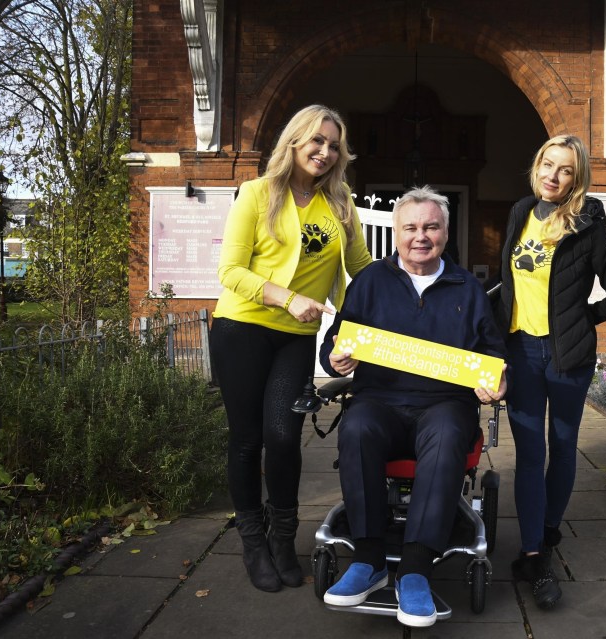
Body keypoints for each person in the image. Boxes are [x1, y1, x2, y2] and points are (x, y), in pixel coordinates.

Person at [318, 186, 507, 628]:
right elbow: (336, 341)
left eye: (431, 227)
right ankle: (368, 560)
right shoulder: (370, 282)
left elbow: (494, 355)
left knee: (445, 435)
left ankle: (417, 568)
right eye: (411, 228)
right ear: (397, 233)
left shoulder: (469, 289)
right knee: (357, 427)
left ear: (444, 232)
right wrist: (336, 357)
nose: (420, 236)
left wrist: (498, 381)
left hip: (444, 403)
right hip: (379, 399)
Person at [210, 105, 373, 593]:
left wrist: (405, 295)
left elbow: (361, 270)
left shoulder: (340, 204)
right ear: (295, 143)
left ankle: (283, 539)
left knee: (283, 437)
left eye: (333, 145)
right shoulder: (258, 195)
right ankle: (253, 543)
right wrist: (286, 297)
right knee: (246, 440)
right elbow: (231, 271)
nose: (325, 152)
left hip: (296, 340)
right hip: (242, 328)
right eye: (316, 142)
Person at [496, 135, 606, 610]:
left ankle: (550, 528)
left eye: (565, 170)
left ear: (578, 179)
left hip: (567, 357)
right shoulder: (520, 213)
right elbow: (509, 284)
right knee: (530, 453)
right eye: (547, 165)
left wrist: (580, 321)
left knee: (563, 443)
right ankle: (534, 552)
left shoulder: (587, 225)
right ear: (536, 167)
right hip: (521, 352)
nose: (553, 176)